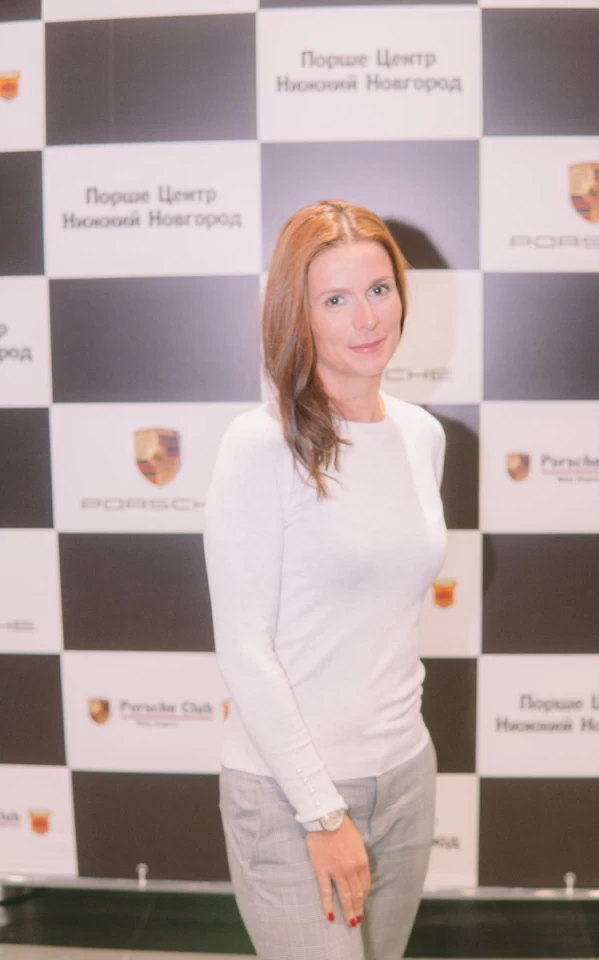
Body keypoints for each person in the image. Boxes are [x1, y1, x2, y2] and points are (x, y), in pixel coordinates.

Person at [203, 199, 447, 960]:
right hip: (290, 796)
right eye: (334, 300)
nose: (367, 318)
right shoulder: (261, 444)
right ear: (297, 314)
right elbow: (245, 648)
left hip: (405, 776)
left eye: (378, 289)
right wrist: (321, 812)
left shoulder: (422, 435)